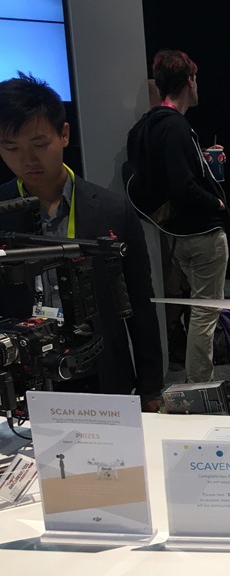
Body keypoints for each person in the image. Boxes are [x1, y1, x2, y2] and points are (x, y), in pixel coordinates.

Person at [0, 73, 163, 409]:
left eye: (39, 144)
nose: (27, 159)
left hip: (102, 372)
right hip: (22, 380)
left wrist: (151, 389)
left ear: (64, 134)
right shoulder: (2, 209)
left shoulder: (113, 210)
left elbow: (140, 305)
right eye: (11, 148)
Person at [126, 49, 230, 402]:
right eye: (195, 79)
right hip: (202, 233)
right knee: (205, 314)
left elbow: (155, 176)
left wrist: (199, 161)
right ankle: (201, 390)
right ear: (188, 81)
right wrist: (216, 202)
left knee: (196, 310)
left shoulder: (146, 126)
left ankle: (198, 384)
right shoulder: (176, 126)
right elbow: (182, 187)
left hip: (175, 234)